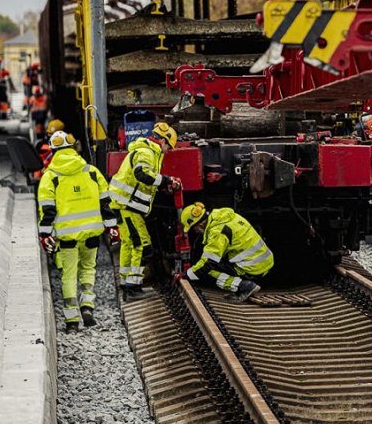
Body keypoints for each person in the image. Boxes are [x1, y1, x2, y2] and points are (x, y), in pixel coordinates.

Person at [37, 131, 120, 332]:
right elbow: (105, 203)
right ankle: (87, 307)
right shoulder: (92, 172)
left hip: (67, 238)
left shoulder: (50, 177)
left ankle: (72, 322)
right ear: (74, 149)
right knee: (88, 269)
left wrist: (45, 234)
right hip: (92, 234)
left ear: (53, 150)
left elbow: (48, 211)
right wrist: (112, 227)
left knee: (68, 275)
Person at [108, 121, 181, 298]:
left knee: (128, 244)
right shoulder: (147, 152)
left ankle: (127, 284)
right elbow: (142, 174)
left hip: (123, 205)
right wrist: (167, 180)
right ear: (162, 141)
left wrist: (163, 185)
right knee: (142, 245)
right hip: (127, 206)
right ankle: (133, 288)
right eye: (168, 147)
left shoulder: (147, 151)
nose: (168, 151)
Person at [179, 202, 273, 302]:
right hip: (264, 262)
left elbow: (208, 263)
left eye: (195, 229)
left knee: (209, 270)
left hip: (253, 268)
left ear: (201, 224)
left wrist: (187, 274)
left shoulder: (217, 231)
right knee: (218, 260)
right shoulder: (225, 216)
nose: (196, 232)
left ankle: (245, 286)